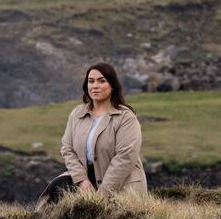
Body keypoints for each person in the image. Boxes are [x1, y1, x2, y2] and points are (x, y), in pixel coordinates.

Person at [37, 62, 147, 206]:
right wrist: (81, 180)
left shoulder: (126, 117)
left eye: (102, 81)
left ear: (112, 85)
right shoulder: (77, 113)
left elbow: (125, 157)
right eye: (91, 81)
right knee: (57, 188)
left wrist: (102, 195)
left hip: (121, 185)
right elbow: (67, 148)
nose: (95, 86)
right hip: (88, 182)